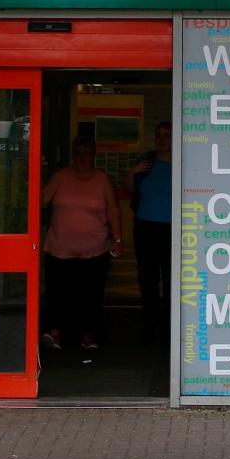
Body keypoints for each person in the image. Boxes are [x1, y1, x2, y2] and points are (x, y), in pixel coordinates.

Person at [41, 135, 122, 350]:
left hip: (95, 250)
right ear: (72, 155)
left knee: (91, 295)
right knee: (58, 294)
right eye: (77, 152)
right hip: (59, 248)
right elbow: (41, 200)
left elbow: (113, 209)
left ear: (94, 155)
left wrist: (118, 239)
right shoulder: (60, 177)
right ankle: (55, 333)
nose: (82, 157)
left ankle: (89, 336)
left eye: (86, 152)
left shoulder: (102, 180)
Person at [124, 121, 172, 344]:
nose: (162, 140)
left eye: (167, 135)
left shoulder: (183, 161)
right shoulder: (147, 161)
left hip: (173, 228)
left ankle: (171, 323)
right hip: (145, 226)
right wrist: (132, 172)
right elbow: (129, 189)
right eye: (159, 135)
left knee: (172, 277)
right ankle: (150, 323)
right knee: (147, 276)